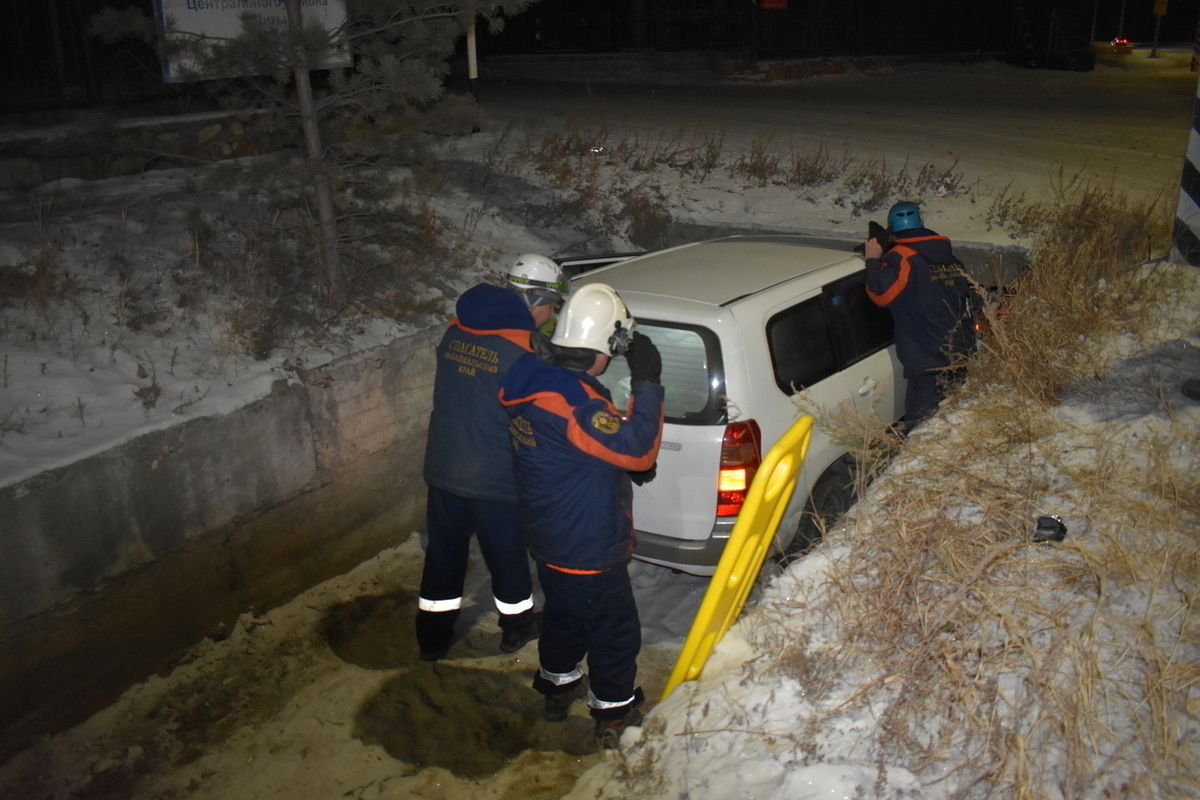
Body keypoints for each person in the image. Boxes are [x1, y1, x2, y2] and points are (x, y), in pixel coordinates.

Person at [498, 282, 665, 749]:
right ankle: (613, 712)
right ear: (606, 349)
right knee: (613, 631)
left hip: (551, 538)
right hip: (587, 546)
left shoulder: (532, 377)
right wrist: (647, 382)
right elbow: (636, 450)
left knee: (565, 618)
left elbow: (577, 451)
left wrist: (614, 461)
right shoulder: (576, 406)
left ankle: (556, 687)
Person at [417, 254, 568, 662]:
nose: (551, 317)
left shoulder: (455, 329)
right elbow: (539, 414)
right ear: (537, 300)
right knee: (507, 556)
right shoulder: (523, 351)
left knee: (443, 556)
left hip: (444, 467)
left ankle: (431, 638)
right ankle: (517, 627)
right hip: (493, 477)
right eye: (552, 308)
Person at [864, 201, 974, 430]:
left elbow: (881, 294)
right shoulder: (949, 258)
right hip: (959, 351)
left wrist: (873, 260)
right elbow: (966, 295)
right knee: (955, 422)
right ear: (922, 222)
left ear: (892, 226)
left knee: (923, 429)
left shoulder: (902, 256)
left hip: (928, 360)